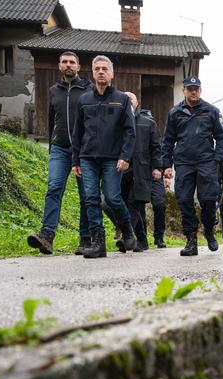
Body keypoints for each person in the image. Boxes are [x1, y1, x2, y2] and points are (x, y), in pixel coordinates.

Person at [27, 51, 93, 255]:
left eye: (72, 62)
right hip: (60, 148)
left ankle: (85, 239)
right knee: (54, 188)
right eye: (64, 62)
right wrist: (53, 142)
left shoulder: (88, 89)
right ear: (59, 66)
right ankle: (47, 237)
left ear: (78, 67)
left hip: (83, 151)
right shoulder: (54, 90)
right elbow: (51, 119)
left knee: (86, 195)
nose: (68, 65)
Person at [71, 55, 137, 258]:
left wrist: (125, 156)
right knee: (90, 198)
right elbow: (77, 132)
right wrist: (75, 160)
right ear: (92, 73)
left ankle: (127, 230)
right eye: (97, 68)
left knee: (112, 198)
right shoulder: (84, 100)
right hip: (88, 157)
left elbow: (130, 131)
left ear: (111, 73)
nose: (101, 71)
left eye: (104, 69)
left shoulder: (122, 100)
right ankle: (98, 243)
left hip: (112, 158)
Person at [162, 76, 223, 256]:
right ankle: (191, 240)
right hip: (183, 162)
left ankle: (208, 229)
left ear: (200, 90)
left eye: (196, 88)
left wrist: (218, 159)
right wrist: (166, 164)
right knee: (183, 200)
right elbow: (167, 140)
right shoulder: (175, 112)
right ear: (184, 90)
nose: (193, 91)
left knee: (207, 199)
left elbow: (221, 137)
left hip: (206, 162)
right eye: (190, 88)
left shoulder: (211, 111)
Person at [122, 92, 162, 252]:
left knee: (134, 203)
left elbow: (156, 147)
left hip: (142, 169)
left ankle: (127, 237)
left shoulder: (147, 123)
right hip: (122, 170)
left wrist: (157, 167)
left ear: (137, 103)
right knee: (125, 205)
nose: (127, 102)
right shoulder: (116, 122)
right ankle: (143, 241)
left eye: (130, 99)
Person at [150, 173, 167, 248]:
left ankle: (159, 237)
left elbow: (166, 160)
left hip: (156, 176)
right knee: (138, 206)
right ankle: (141, 238)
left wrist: (167, 174)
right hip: (139, 174)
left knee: (160, 204)